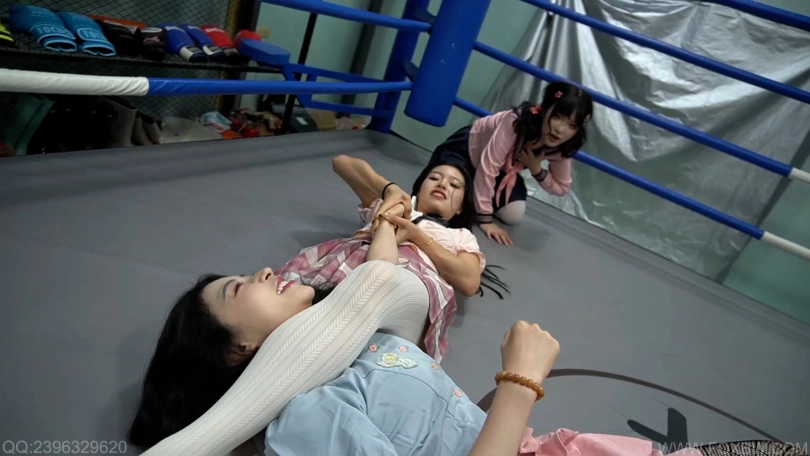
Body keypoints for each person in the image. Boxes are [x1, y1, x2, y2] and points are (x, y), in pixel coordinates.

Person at [276, 153, 507, 362]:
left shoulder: (459, 236)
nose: (443, 184)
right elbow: (342, 163)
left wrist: (416, 235)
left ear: (460, 208)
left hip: (407, 281)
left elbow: (469, 281)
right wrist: (390, 190)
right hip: (349, 263)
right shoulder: (392, 205)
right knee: (289, 315)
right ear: (418, 190)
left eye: (455, 185)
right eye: (434, 178)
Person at [432, 81, 594, 245]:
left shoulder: (563, 146)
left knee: (513, 215)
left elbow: (562, 187)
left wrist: (536, 169)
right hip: (467, 151)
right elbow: (488, 166)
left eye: (571, 125)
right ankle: (471, 193)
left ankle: (473, 192)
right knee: (445, 201)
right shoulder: (516, 122)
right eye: (556, 117)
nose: (560, 129)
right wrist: (485, 220)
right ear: (544, 109)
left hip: (501, 171)